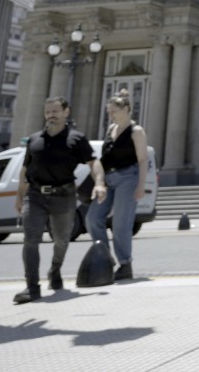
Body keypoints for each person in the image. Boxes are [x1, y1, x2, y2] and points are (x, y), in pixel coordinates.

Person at [15, 96, 105, 304]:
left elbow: (94, 163)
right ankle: (32, 287)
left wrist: (99, 183)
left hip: (63, 196)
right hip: (35, 196)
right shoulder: (34, 140)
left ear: (66, 112)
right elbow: (25, 170)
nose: (51, 115)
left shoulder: (76, 139)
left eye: (55, 111)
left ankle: (55, 270)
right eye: (47, 112)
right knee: (30, 239)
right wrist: (19, 197)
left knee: (62, 239)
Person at [87, 89, 149, 280]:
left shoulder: (136, 131)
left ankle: (125, 263)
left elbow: (143, 160)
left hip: (128, 178)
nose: (111, 115)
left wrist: (141, 185)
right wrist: (99, 181)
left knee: (121, 223)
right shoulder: (110, 129)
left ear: (126, 109)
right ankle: (105, 259)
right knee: (92, 219)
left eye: (114, 111)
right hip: (108, 179)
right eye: (109, 111)